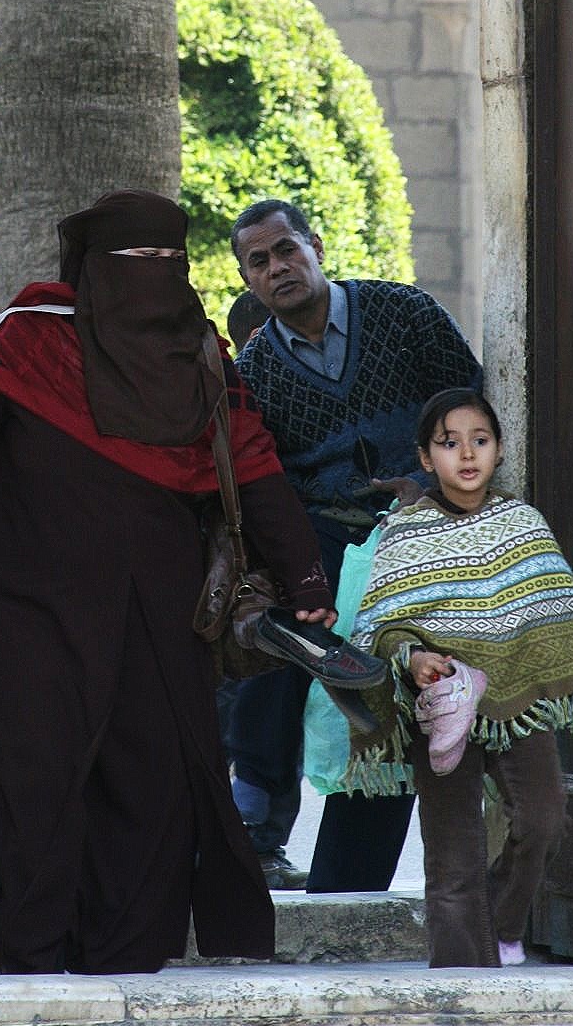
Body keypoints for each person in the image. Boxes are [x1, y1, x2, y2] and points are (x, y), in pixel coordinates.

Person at [0, 189, 336, 975]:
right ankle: (30, 951)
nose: (158, 277)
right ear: (95, 266)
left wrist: (304, 573)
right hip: (28, 603)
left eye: (173, 261)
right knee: (35, 773)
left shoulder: (199, 350)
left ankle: (127, 954)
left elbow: (255, 464)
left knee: (152, 779)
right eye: (139, 261)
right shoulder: (31, 338)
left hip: (160, 613)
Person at [230, 197, 482, 892]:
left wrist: (432, 486)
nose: (277, 267)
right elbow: (267, 479)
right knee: (363, 718)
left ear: (315, 245)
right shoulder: (257, 371)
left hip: (435, 540)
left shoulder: (405, 313)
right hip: (335, 558)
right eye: (259, 261)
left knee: (437, 714)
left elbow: (471, 410)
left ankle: (471, 900)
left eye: (286, 249)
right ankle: (326, 877)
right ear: (247, 280)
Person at [347, 388, 573, 967]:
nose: (467, 454)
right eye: (449, 444)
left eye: (479, 440)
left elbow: (562, 609)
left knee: (545, 820)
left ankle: (503, 923)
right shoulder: (406, 532)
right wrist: (413, 659)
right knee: (453, 857)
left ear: (499, 449)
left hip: (515, 700)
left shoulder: (521, 522)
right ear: (428, 458)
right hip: (440, 707)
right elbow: (379, 623)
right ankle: (460, 976)